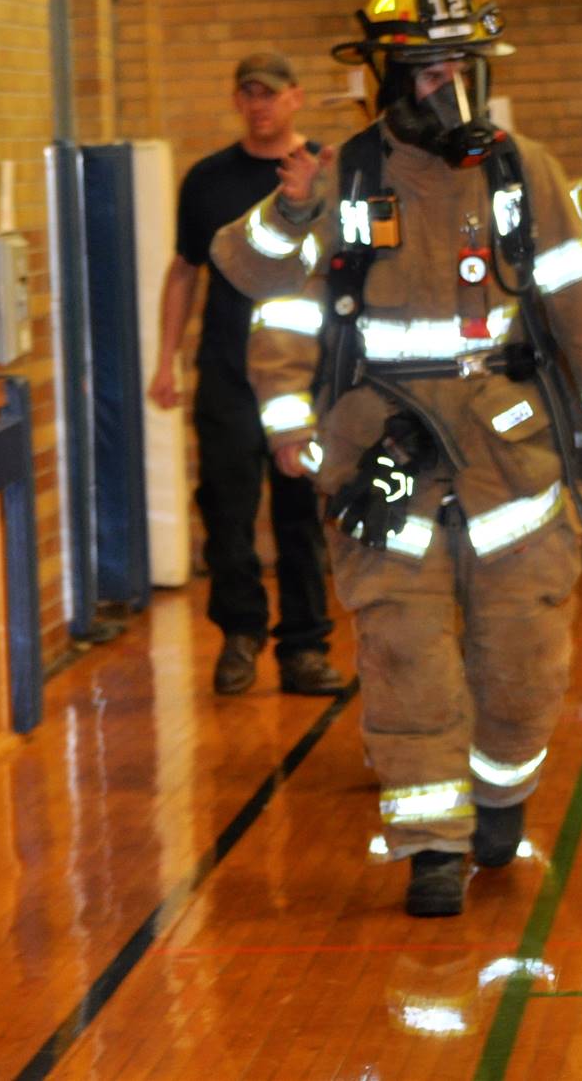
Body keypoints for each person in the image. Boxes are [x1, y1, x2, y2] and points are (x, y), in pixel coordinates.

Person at [211, 0, 582, 917]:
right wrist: (290, 418)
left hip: (514, 460)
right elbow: (261, 285)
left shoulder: (522, 171)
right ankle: (430, 839)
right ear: (387, 75)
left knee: (523, 653)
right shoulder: (337, 178)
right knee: (403, 650)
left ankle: (499, 793)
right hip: (380, 457)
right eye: (425, 70)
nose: (446, 86)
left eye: (460, 65)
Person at [149, 52, 342, 697]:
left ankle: (306, 648)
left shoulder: (323, 173)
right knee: (227, 511)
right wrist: (166, 358)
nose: (259, 105)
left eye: (271, 94)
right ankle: (239, 636)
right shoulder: (207, 180)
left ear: (297, 98)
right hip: (228, 374)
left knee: (301, 514)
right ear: (237, 102)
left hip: (304, 377)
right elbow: (184, 272)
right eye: (247, 95)